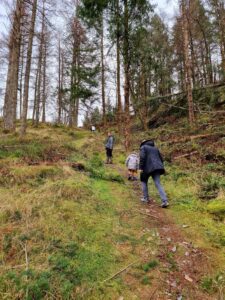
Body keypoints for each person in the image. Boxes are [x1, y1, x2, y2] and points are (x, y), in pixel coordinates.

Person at [139, 139, 169, 208]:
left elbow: (142, 157)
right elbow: (161, 159)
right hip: (157, 167)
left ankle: (145, 198)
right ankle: (165, 201)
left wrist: (140, 168)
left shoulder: (143, 147)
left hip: (147, 168)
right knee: (158, 184)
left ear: (143, 143)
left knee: (143, 181)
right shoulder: (155, 148)